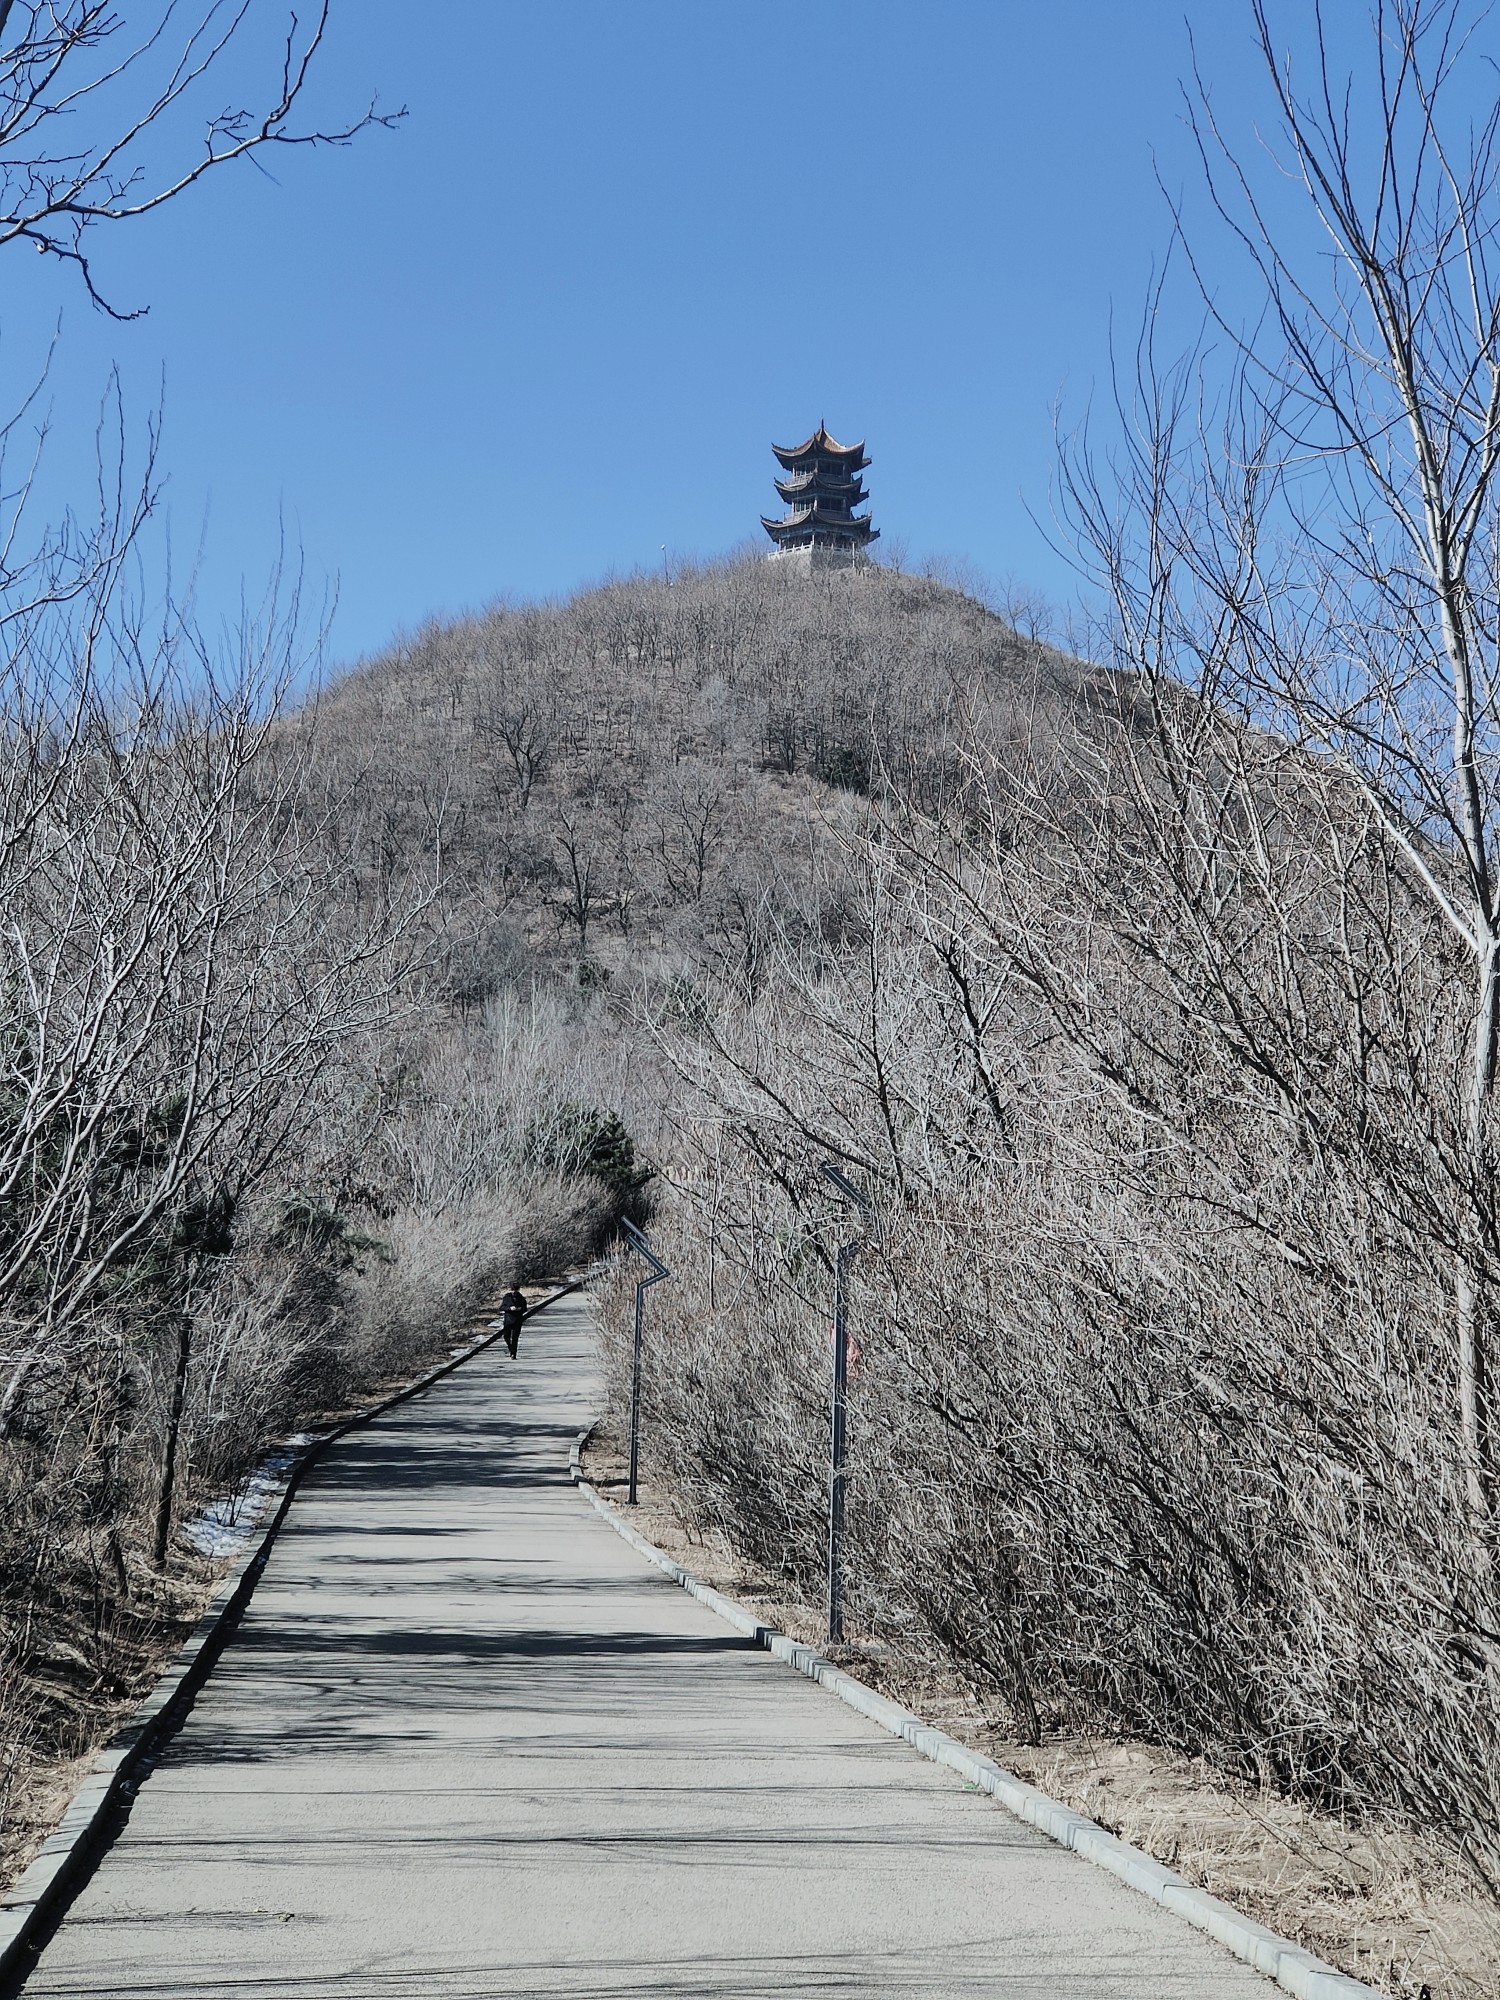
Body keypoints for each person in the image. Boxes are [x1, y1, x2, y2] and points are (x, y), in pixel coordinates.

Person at [497, 1285, 528, 1359]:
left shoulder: (521, 1298)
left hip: (518, 1320)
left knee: (515, 1338)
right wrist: (509, 1308)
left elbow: (525, 1308)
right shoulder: (507, 1297)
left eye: (516, 1289)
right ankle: (511, 1349)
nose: (514, 1291)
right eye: (513, 1289)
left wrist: (520, 1309)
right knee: (506, 1336)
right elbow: (501, 1307)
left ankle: (514, 1353)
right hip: (508, 1320)